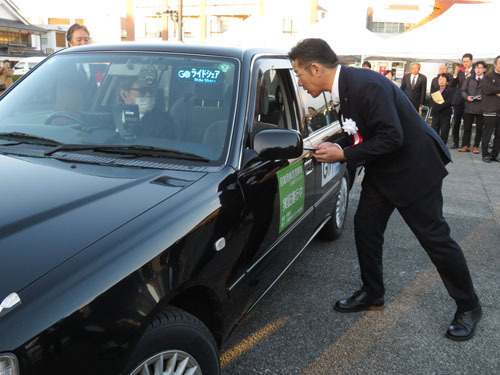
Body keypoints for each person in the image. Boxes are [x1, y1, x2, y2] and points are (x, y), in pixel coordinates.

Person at [288, 38, 481, 341]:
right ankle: (372, 292)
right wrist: (337, 144)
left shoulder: (366, 85)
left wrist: (344, 155)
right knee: (365, 227)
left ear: (315, 68)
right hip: (383, 170)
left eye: (299, 74)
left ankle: (469, 306)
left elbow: (393, 137)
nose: (299, 83)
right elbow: (363, 132)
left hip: (414, 169)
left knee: (435, 240)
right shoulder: (347, 86)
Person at [459, 61, 486, 153]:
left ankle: (476, 146)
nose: (478, 69)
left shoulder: (487, 80)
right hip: (469, 106)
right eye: (476, 67)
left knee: (479, 128)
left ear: (484, 69)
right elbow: (462, 90)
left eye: (480, 67)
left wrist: (484, 97)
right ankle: (465, 145)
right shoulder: (469, 79)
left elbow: (490, 92)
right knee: (467, 127)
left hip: (482, 107)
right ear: (474, 69)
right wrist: (467, 97)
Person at [450, 53, 474, 149]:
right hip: (458, 100)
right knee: (456, 122)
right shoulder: (460, 72)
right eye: (464, 62)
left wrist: (470, 75)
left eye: (467, 61)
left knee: (468, 124)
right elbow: (452, 84)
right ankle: (455, 142)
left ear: (471, 61)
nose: (465, 63)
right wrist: (455, 74)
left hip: (469, 101)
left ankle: (465, 144)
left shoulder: (475, 72)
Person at [480, 55, 500, 163]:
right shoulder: (488, 76)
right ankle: (485, 154)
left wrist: (496, 90)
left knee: (499, 135)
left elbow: (493, 89)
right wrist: (496, 91)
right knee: (487, 133)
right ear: (495, 64)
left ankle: (494, 155)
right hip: (490, 109)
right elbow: (488, 89)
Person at [430, 73, 454, 144]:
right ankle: (435, 143)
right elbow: (431, 99)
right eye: (440, 79)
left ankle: (443, 144)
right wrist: (435, 106)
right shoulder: (435, 89)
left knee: (444, 130)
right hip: (435, 113)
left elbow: (449, 101)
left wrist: (439, 106)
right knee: (434, 128)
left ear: (447, 81)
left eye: (443, 79)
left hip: (445, 113)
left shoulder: (450, 90)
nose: (441, 81)